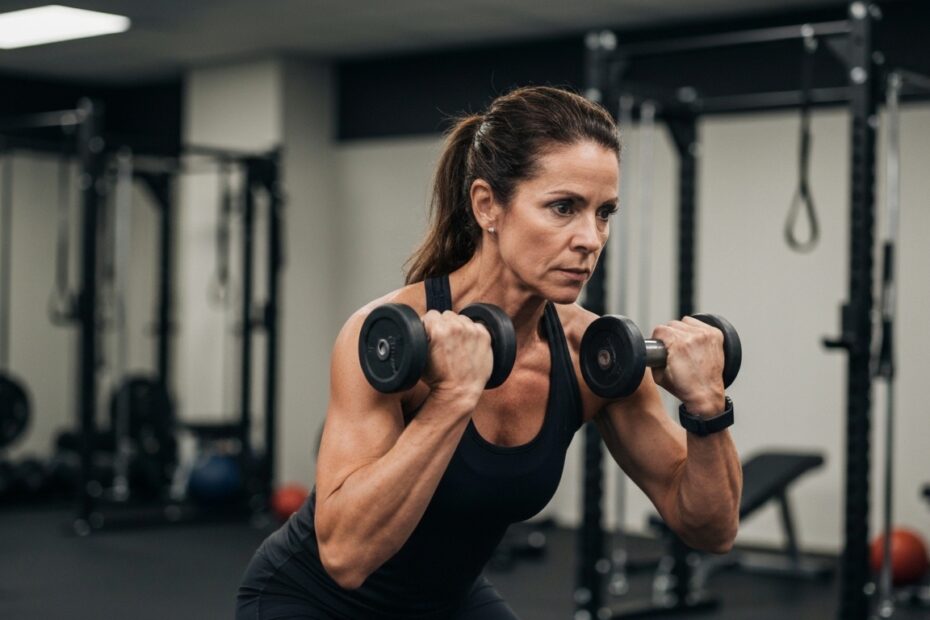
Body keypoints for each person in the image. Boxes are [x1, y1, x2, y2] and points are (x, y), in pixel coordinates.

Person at [236, 85, 741, 620]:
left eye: (604, 213)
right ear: (487, 206)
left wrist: (707, 408)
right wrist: (452, 399)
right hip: (316, 600)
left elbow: (711, 528)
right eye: (564, 207)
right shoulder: (386, 336)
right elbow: (345, 555)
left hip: (446, 601)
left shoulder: (590, 357)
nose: (590, 238)